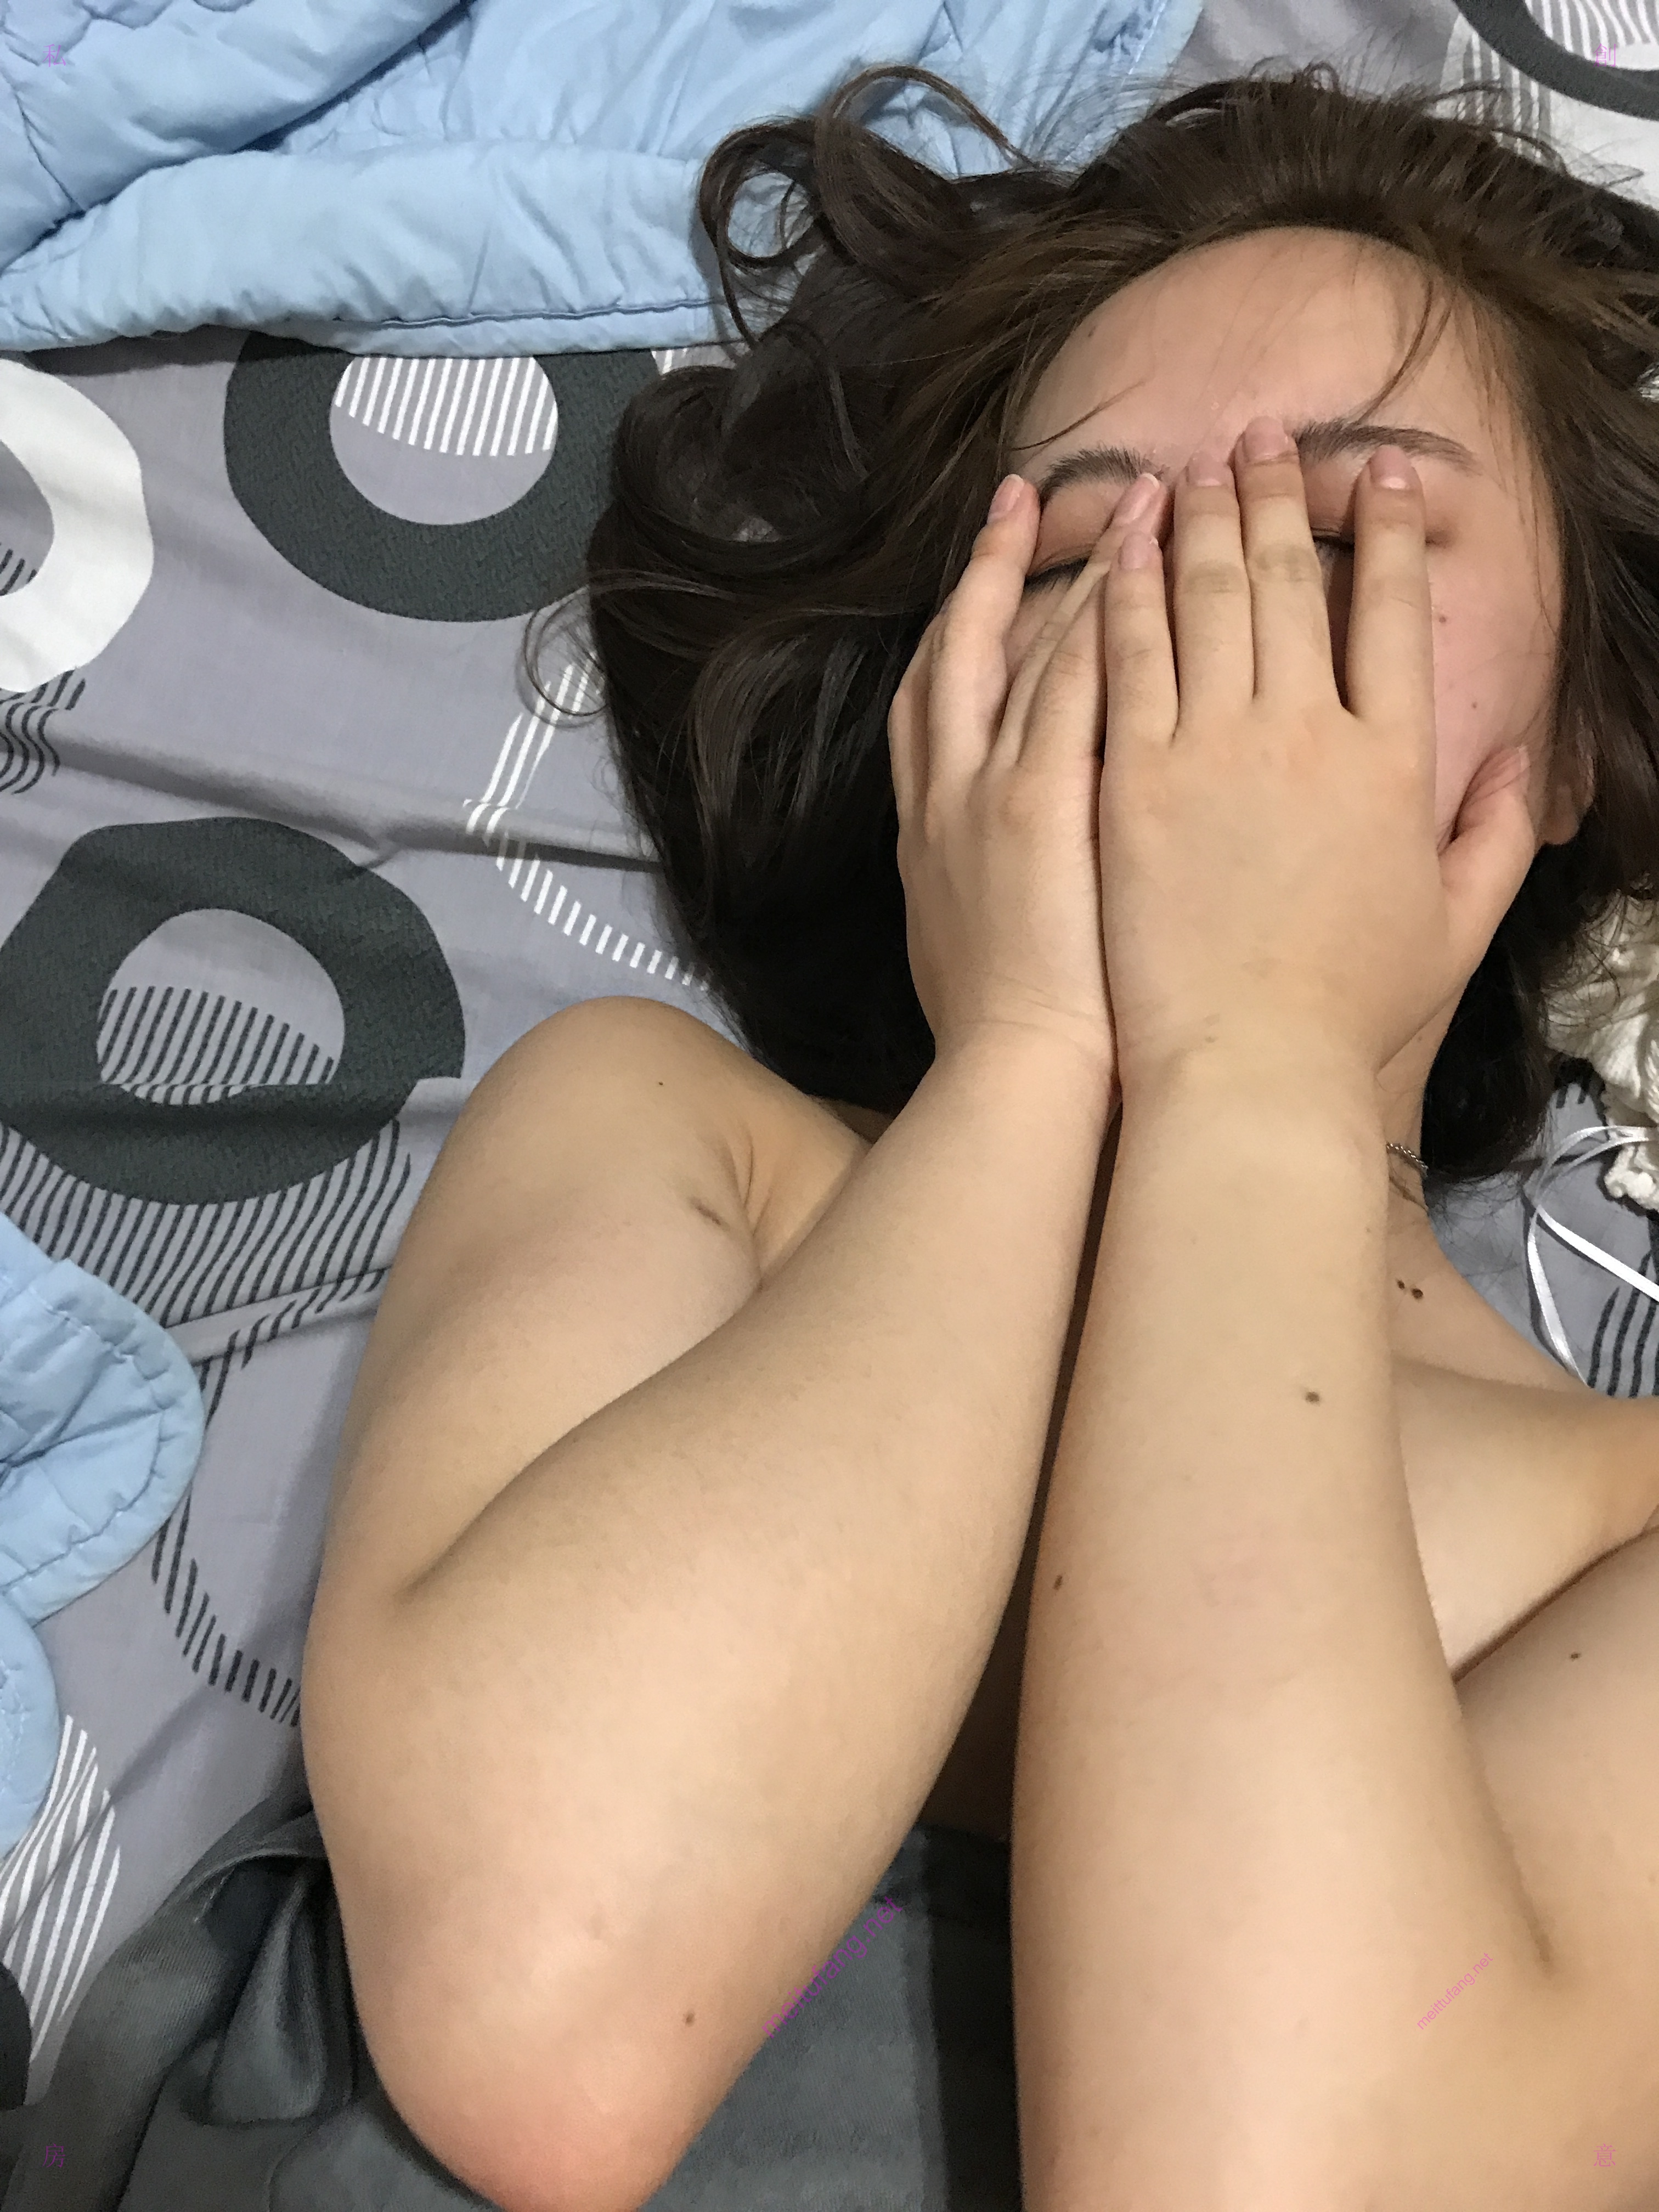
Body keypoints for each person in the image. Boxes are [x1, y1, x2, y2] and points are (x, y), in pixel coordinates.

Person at [300, 64, 1659, 2212]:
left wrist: (1263, 1072)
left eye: (1339, 536)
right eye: (1084, 543)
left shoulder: (1626, 1527)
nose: (1181, 616)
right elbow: (541, 2002)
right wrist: (1031, 1052)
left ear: (1568, 747)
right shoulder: (681, 1144)